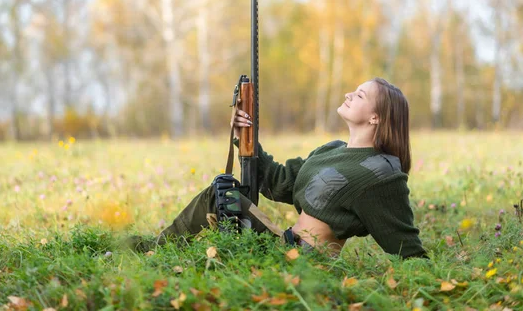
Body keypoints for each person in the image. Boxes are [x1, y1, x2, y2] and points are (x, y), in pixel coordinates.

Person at [129, 77, 427, 259]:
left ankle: (153, 251)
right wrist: (243, 138)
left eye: (360, 95)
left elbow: (405, 245)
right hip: (282, 243)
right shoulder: (332, 149)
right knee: (222, 193)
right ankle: (159, 249)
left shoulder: (381, 173)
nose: (349, 94)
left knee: (220, 196)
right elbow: (278, 182)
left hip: (305, 260)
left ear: (376, 118)